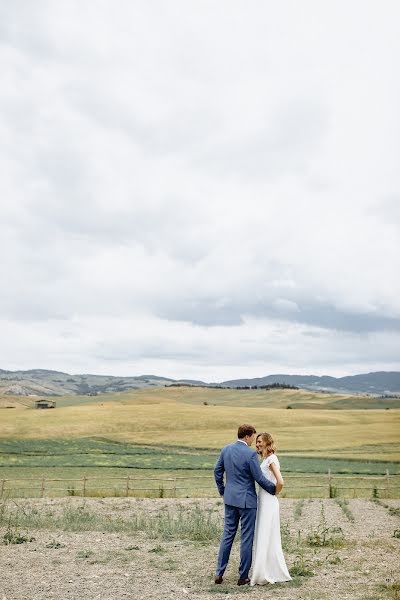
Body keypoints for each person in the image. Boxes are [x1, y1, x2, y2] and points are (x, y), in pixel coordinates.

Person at [214, 424, 276, 586]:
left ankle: (219, 573)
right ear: (247, 436)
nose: (253, 442)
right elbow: (259, 478)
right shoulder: (250, 454)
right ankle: (242, 577)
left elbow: (217, 470)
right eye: (252, 438)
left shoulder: (225, 449)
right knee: (246, 539)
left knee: (227, 535)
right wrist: (274, 489)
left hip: (230, 499)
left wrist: (223, 490)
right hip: (247, 501)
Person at [250, 432, 292, 586]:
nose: (258, 444)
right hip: (263, 499)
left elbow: (280, 481)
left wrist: (275, 492)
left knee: (266, 533)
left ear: (267, 442)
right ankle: (264, 569)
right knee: (264, 534)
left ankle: (266, 572)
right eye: (256, 442)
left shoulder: (272, 459)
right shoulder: (265, 459)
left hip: (268, 499)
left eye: (260, 441)